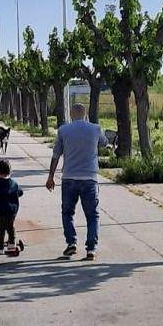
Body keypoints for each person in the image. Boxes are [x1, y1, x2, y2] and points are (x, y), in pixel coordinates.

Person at [46, 100, 105, 260]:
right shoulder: (95, 128)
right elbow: (104, 143)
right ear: (85, 115)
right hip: (90, 178)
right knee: (92, 215)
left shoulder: (63, 130)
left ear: (71, 115)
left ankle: (71, 243)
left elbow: (56, 155)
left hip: (69, 178)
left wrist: (51, 177)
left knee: (67, 212)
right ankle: (91, 249)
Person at [0, 159, 25, 256]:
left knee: (0, 229)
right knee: (10, 227)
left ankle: (0, 247)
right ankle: (11, 244)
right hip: (12, 211)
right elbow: (20, 193)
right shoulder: (14, 184)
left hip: (0, 210)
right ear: (10, 171)